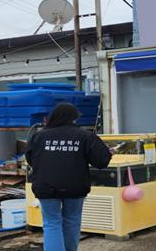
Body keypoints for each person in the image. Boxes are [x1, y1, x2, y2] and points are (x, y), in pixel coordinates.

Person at [25, 102, 113, 251]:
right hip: (75, 186)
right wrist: (109, 154)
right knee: (72, 221)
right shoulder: (85, 136)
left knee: (51, 222)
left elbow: (30, 159)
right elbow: (101, 161)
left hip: (46, 186)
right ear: (73, 118)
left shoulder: (38, 136)